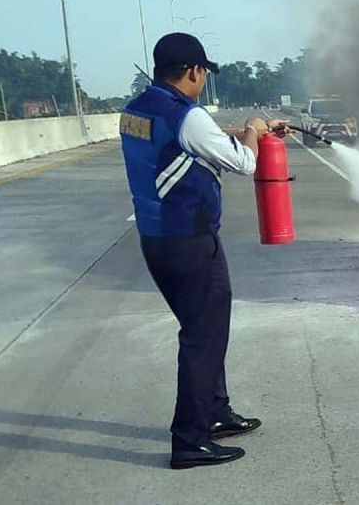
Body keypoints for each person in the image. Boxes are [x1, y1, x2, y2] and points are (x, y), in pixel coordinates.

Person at [119, 32, 287, 469]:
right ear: (194, 72)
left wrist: (238, 132)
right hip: (189, 239)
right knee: (203, 335)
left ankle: (215, 413)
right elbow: (244, 163)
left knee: (204, 327)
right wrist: (251, 132)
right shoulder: (186, 115)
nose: (202, 81)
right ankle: (189, 440)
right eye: (202, 74)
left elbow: (185, 139)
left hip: (158, 239)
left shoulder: (137, 110)